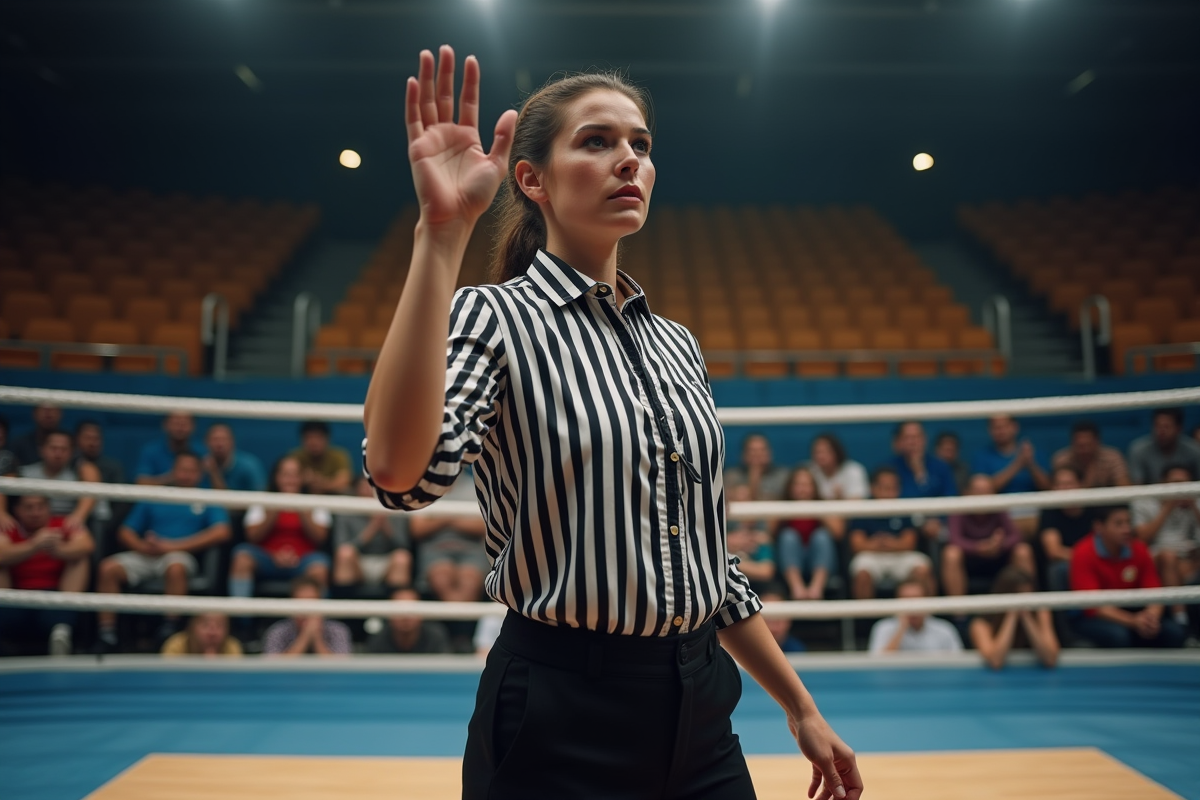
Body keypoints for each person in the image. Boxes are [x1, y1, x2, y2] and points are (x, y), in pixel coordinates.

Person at [361, 47, 860, 800]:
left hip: (700, 711)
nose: (629, 159)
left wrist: (800, 708)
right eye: (597, 142)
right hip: (557, 713)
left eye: (641, 145)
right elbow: (401, 478)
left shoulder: (675, 342)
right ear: (532, 180)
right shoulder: (493, 317)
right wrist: (440, 234)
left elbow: (705, 560)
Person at [96, 452, 231, 648]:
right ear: (173, 471)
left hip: (179, 555)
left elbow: (222, 531)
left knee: (176, 566)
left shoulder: (206, 497)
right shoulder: (156, 495)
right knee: (108, 568)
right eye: (182, 469)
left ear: (200, 474)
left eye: (192, 470)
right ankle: (106, 634)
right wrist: (142, 546)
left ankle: (169, 628)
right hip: (146, 554)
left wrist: (172, 546)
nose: (186, 474)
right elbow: (125, 532)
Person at [1069, 505, 1186, 648]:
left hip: (1134, 611)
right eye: (1119, 524)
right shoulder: (1082, 552)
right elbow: (1093, 607)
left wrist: (1151, 617)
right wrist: (1133, 621)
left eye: (1128, 522)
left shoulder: (1139, 548)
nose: (1126, 529)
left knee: (1174, 633)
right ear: (1099, 527)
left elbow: (1155, 592)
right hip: (1096, 617)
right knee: (1118, 636)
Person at [0, 494, 94, 656]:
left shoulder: (63, 524)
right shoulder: (9, 526)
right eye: (29, 507)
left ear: (49, 508)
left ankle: (61, 632)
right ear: (17, 510)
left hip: (56, 598)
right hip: (14, 598)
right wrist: (34, 545)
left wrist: (59, 551)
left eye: (40, 507)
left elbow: (87, 544)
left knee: (80, 559)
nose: (35, 513)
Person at [229, 456, 332, 598]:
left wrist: (302, 507)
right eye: (285, 475)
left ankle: (316, 619)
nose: (290, 480)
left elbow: (321, 538)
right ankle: (240, 618)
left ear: (302, 478)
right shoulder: (262, 499)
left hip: (302, 561)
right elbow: (252, 537)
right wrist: (275, 506)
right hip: (268, 559)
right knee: (242, 556)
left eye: (295, 475)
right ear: (276, 477)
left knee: (320, 566)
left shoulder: (315, 501)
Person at [941, 474, 1036, 597]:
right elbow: (954, 539)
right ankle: (959, 614)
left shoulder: (998, 507)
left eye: (988, 491)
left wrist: (999, 545)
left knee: (1023, 550)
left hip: (998, 557)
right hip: (969, 560)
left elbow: (1016, 536)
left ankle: (1027, 606)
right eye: (978, 491)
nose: (983, 496)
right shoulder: (958, 508)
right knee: (951, 553)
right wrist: (979, 547)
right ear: (967, 493)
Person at [847, 467, 934, 599]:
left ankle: (926, 618)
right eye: (884, 487)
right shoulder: (862, 508)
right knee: (862, 573)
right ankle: (865, 619)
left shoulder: (904, 507)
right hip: (871, 557)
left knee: (922, 569)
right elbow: (857, 544)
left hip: (901, 556)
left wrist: (886, 543)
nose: (889, 492)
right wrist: (879, 545)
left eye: (893, 487)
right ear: (873, 488)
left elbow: (909, 543)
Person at [407, 467, 488, 605]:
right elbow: (417, 528)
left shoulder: (477, 486)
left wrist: (440, 517)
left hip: (472, 550)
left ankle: (458, 623)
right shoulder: (423, 488)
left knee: (470, 580)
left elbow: (484, 527)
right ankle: (455, 623)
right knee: (442, 576)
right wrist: (459, 516)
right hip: (436, 550)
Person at [1131, 464, 1200, 627]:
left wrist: (1193, 506)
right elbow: (1142, 540)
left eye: (1184, 484)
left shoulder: (1195, 500)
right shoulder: (1145, 501)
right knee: (1168, 557)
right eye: (1175, 483)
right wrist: (1167, 506)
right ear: (1163, 483)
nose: (1179, 489)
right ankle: (1181, 618)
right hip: (1155, 559)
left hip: (1188, 559)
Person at [0, 429, 100, 535]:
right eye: (53, 448)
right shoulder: (23, 473)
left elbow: (91, 491)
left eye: (64, 449)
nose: (58, 453)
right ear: (41, 449)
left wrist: (78, 516)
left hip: (64, 531)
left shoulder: (78, 477)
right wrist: (1, 513)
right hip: (26, 530)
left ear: (71, 452)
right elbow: (3, 486)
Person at [332, 476, 413, 594]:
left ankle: (397, 606)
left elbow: (404, 545)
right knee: (345, 554)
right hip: (358, 561)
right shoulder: (345, 511)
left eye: (372, 487)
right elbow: (340, 546)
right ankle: (345, 609)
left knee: (402, 557)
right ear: (356, 490)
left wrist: (386, 526)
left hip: (385, 561)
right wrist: (372, 528)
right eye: (364, 486)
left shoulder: (395, 508)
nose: (368, 491)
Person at [970, 415, 1050, 535]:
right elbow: (986, 489)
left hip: (1035, 511)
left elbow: (1048, 487)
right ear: (989, 430)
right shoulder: (982, 457)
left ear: (1015, 427)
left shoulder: (1033, 453)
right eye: (996, 428)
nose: (1000, 431)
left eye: (1004, 426)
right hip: (999, 514)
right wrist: (1018, 464)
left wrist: (1031, 464)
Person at [968, 567, 1059, 670]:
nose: (1025, 602)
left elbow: (1050, 659)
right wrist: (1012, 615)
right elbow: (995, 661)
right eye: (1020, 597)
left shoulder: (1041, 613)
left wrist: (1027, 618)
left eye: (1029, 596)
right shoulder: (981, 624)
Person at [775, 467, 843, 600]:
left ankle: (816, 589)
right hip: (791, 562)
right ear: (790, 487)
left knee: (821, 536)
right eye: (798, 485)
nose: (802, 489)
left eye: (807, 485)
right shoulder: (782, 505)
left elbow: (838, 532)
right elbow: (770, 532)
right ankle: (797, 589)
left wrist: (816, 508)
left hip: (820, 561)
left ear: (814, 488)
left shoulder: (822, 505)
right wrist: (790, 509)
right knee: (788, 536)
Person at [890, 420, 956, 539]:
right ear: (899, 441)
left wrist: (938, 520)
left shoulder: (941, 467)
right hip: (903, 527)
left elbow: (950, 497)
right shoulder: (890, 469)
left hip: (938, 524)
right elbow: (893, 499)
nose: (913, 442)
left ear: (925, 439)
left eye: (917, 437)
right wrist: (920, 522)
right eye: (908, 437)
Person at [262, 575, 352, 656]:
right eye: (301, 602)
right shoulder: (277, 631)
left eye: (311, 601)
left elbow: (340, 669)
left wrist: (317, 639)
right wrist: (305, 636)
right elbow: (274, 669)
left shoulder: (338, 630)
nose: (306, 609)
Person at [1036, 467, 1094, 592]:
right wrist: (1087, 557)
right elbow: (1054, 551)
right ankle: (1062, 611)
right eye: (1059, 485)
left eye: (1069, 484)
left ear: (1080, 485)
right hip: (1070, 562)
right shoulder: (1049, 512)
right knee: (1059, 568)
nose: (1065, 489)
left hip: (1095, 560)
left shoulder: (1094, 508)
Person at [868, 580, 963, 654]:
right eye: (906, 599)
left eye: (916, 599)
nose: (911, 605)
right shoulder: (883, 628)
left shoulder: (944, 630)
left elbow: (959, 665)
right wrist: (901, 629)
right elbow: (877, 666)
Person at [366, 586, 454, 654]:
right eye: (399, 609)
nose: (405, 616)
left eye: (411, 609)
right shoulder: (378, 640)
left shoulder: (435, 638)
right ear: (389, 614)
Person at [74, 419, 126, 533]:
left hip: (103, 522)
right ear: (77, 439)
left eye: (96, 439)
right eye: (88, 438)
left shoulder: (112, 467)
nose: (92, 443)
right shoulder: (69, 465)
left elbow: (120, 503)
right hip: (71, 516)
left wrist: (110, 526)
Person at [725, 483, 777, 597]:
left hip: (758, 585)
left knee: (773, 600)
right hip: (727, 585)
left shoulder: (760, 532)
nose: (743, 505)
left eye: (746, 500)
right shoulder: (721, 530)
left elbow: (766, 572)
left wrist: (733, 560)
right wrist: (729, 543)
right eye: (738, 501)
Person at [1127, 408, 1200, 485]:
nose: (1161, 432)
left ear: (1179, 428)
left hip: (1188, 495)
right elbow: (1137, 485)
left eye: (1166, 427)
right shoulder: (1139, 449)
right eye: (1157, 426)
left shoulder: (1194, 450)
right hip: (1150, 495)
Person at [1051, 421, 1130, 489]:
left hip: (1107, 503)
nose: (1085, 450)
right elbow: (1054, 490)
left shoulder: (1113, 457)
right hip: (1072, 503)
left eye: (1088, 445)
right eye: (1080, 446)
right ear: (1072, 443)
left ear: (1097, 442)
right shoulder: (1062, 459)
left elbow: (1124, 488)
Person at [136, 412, 205, 485]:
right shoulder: (151, 451)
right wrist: (174, 477)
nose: (180, 428)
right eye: (176, 423)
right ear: (165, 424)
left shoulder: (203, 452)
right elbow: (141, 482)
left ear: (193, 426)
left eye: (184, 424)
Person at [290, 420, 352, 495]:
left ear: (327, 438)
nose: (314, 442)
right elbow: (286, 481)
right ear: (302, 439)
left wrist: (319, 482)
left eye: (318, 437)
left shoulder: (339, 456)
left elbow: (344, 482)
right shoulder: (295, 457)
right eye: (309, 438)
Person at [724, 433, 790, 501]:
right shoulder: (731, 476)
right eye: (752, 451)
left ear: (770, 453)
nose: (757, 454)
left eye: (762, 450)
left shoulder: (783, 476)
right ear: (743, 454)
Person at [201, 424, 266, 491]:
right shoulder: (198, 465)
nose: (219, 444)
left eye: (224, 439)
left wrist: (214, 474)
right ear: (206, 442)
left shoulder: (250, 466)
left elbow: (259, 496)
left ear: (233, 441)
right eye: (215, 439)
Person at [806, 432, 869, 501]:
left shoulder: (854, 471)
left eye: (826, 451)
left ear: (836, 451)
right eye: (817, 452)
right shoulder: (808, 471)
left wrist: (840, 499)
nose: (821, 456)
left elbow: (858, 501)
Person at [161, 613, 244, 657]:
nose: (212, 632)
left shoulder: (232, 647)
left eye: (219, 625)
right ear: (191, 628)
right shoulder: (175, 646)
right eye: (205, 625)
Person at [760, 587, 806, 653]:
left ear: (789, 620)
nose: (773, 627)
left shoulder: (796, 649)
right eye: (768, 619)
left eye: (778, 619)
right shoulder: (746, 650)